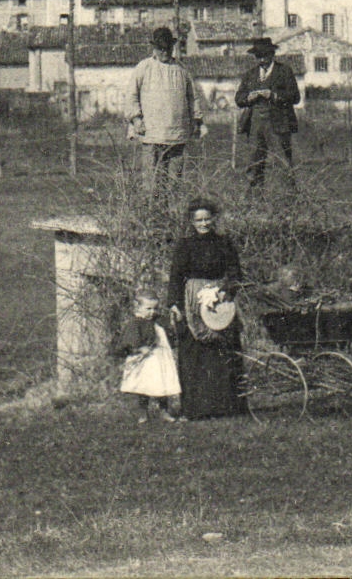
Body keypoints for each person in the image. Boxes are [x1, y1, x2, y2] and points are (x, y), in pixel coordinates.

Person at [167, 198, 245, 419]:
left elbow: (236, 273)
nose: (203, 223)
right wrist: (174, 304)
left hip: (219, 299)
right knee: (194, 354)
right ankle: (196, 409)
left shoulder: (224, 242)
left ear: (214, 219)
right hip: (192, 300)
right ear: (192, 222)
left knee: (223, 350)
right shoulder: (184, 245)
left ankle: (227, 408)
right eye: (198, 220)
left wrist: (224, 291)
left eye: (207, 218)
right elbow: (175, 276)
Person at [126, 27, 202, 192]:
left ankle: (173, 216)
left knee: (174, 184)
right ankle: (152, 216)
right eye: (161, 48)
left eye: (168, 48)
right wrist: (137, 119)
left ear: (172, 47)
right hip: (152, 135)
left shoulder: (182, 70)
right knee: (152, 184)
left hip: (177, 136)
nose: (164, 52)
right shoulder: (144, 67)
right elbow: (131, 96)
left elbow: (193, 98)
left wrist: (196, 120)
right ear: (154, 48)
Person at [234, 36, 300, 191]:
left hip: (278, 123)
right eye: (258, 56)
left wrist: (273, 95)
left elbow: (295, 97)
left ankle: (289, 199)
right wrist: (249, 97)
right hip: (255, 123)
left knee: (282, 160)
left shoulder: (284, 71)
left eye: (264, 55)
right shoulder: (250, 74)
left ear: (272, 54)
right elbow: (239, 98)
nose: (261, 59)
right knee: (254, 161)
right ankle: (254, 199)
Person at [110, 287, 180, 423]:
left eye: (155, 308)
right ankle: (143, 413)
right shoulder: (135, 323)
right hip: (146, 360)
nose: (152, 312)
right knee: (144, 385)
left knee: (162, 383)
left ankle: (164, 411)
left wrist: (173, 322)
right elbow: (130, 339)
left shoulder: (158, 320)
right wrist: (139, 348)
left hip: (160, 357)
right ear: (138, 307)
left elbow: (168, 330)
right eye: (148, 309)